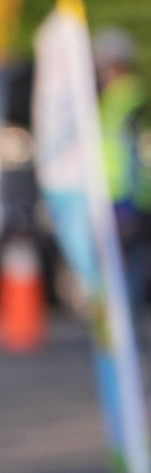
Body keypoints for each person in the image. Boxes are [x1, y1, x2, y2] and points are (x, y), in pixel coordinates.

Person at [94, 26, 151, 318]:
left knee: (127, 268)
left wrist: (127, 200)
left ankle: (126, 326)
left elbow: (128, 152)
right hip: (122, 194)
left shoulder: (126, 98)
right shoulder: (122, 97)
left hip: (126, 196)